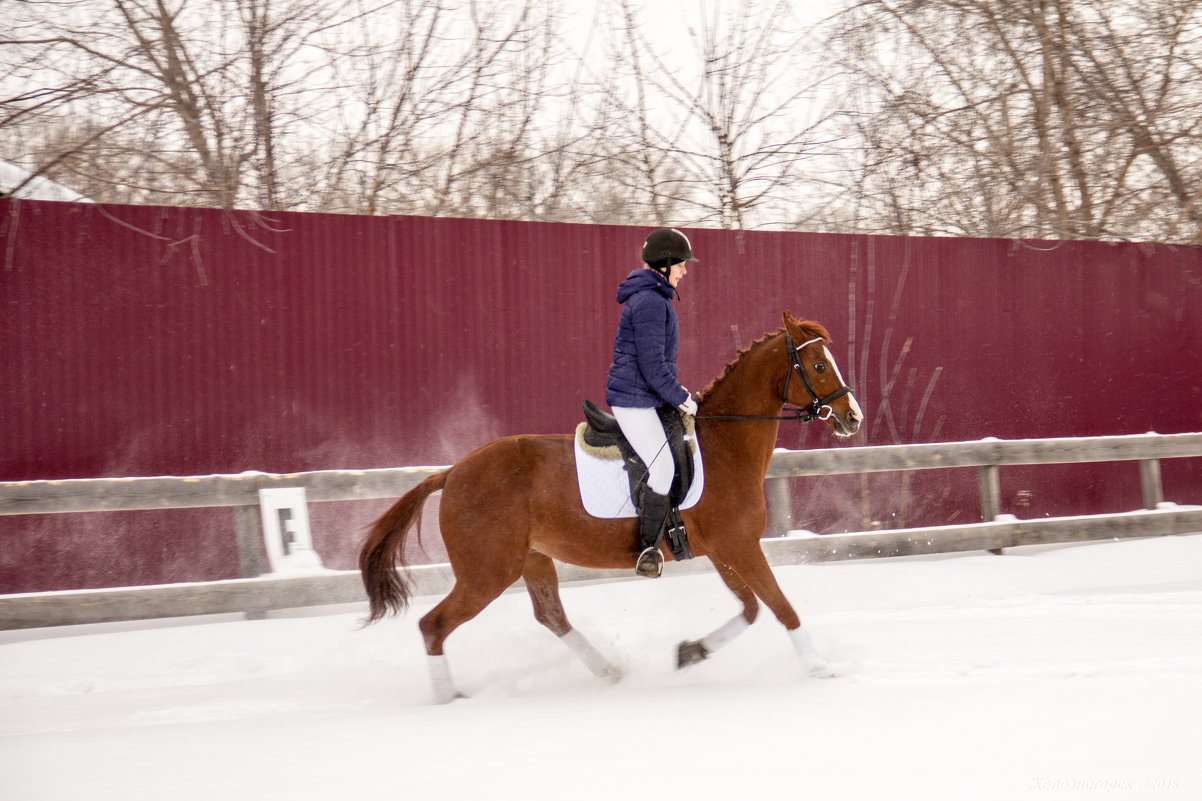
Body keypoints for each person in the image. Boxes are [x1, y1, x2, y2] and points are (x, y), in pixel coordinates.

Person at [606, 228, 699, 578]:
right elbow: (652, 364)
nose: (685, 271)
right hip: (634, 401)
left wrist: (676, 395)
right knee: (662, 469)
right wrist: (681, 398)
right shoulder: (649, 301)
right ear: (665, 263)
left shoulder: (656, 297)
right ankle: (648, 550)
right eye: (681, 264)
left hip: (644, 396)